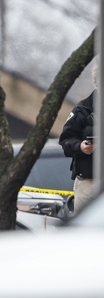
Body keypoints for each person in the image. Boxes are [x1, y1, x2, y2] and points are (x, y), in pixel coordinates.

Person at [60, 63, 97, 212]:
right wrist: (80, 147)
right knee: (86, 232)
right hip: (88, 182)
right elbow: (66, 140)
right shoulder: (82, 109)